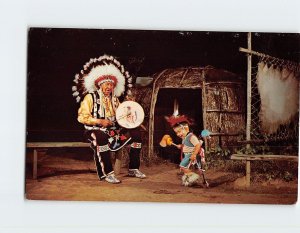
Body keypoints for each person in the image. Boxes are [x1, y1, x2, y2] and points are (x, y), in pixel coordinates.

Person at [73, 55, 146, 184]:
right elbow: (81, 117)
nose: (109, 87)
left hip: (113, 131)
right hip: (94, 130)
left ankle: (133, 168)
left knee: (136, 134)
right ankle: (108, 173)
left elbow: (121, 116)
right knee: (101, 137)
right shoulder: (90, 97)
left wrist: (130, 109)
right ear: (100, 85)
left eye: (112, 85)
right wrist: (99, 121)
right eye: (107, 84)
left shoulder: (114, 99)